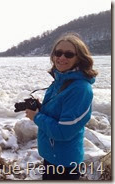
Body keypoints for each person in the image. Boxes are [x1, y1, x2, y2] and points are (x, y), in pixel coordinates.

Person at [25, 33, 98, 180]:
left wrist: (37, 117)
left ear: (79, 58)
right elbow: (57, 112)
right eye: (58, 53)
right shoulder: (60, 80)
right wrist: (41, 107)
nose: (62, 57)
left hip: (65, 163)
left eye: (69, 54)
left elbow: (63, 131)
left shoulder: (80, 89)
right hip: (51, 156)